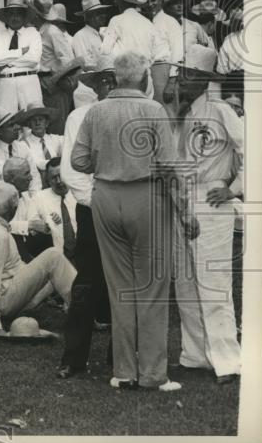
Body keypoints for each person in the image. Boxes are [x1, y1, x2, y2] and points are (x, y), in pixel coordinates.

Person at [71, 50, 197, 391]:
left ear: (115, 78)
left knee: (120, 289)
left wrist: (107, 156)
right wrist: (186, 213)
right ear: (143, 79)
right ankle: (154, 374)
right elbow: (169, 168)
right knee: (153, 288)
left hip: (106, 198)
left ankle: (124, 372)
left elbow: (79, 161)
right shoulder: (152, 109)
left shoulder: (95, 111)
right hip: (146, 196)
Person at [171, 45, 243, 384]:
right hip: (184, 198)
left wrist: (235, 187)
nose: (178, 79)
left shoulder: (219, 109)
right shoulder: (183, 112)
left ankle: (228, 360)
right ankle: (196, 354)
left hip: (213, 197)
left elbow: (250, 148)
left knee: (214, 282)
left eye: (184, 74)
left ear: (200, 79)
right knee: (185, 282)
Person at [56, 54, 116, 379]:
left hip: (122, 209)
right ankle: (73, 357)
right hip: (92, 209)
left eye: (114, 80)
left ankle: (119, 357)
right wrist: (96, 199)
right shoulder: (78, 117)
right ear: (95, 86)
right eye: (103, 80)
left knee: (121, 282)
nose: (109, 86)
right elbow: (70, 170)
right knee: (86, 283)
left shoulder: (132, 115)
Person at [0, 183, 76, 336]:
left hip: (10, 289)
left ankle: (78, 306)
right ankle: (83, 311)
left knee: (56, 266)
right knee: (54, 256)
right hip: (4, 301)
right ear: (13, 208)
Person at [99, 0, 170, 98]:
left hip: (126, 78)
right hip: (146, 77)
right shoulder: (148, 24)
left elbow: (105, 51)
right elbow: (159, 53)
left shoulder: (116, 20)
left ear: (121, 2)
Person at [0, 157, 50, 260]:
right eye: (26, 173)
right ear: (12, 178)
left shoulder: (24, 195)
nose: (31, 178)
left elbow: (33, 220)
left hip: (19, 249)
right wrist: (29, 225)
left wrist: (42, 224)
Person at [33, 0, 80, 132]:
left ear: (36, 15)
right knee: (47, 125)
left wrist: (56, 80)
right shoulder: (39, 32)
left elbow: (69, 60)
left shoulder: (52, 32)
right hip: (43, 83)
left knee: (57, 125)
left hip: (54, 84)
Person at [0, 0, 44, 113]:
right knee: (7, 122)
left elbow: (33, 59)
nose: (15, 17)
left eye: (18, 13)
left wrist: (8, 63)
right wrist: (20, 52)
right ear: (6, 16)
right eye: (11, 14)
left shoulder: (33, 33)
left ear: (24, 16)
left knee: (31, 122)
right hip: (5, 85)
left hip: (29, 83)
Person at [0, 106, 42, 192]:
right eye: (11, 125)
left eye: (16, 123)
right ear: (0, 131)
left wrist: (34, 199)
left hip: (17, 196)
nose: (17, 127)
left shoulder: (21, 146)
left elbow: (34, 176)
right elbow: (12, 179)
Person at [140, 0, 181, 107]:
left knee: (168, 112)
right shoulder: (145, 23)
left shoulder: (169, 21)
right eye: (147, 2)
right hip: (149, 71)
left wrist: (171, 82)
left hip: (164, 71)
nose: (150, 4)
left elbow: (178, 52)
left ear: (161, 0)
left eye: (153, 0)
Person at [29, 158, 77, 257]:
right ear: (48, 180)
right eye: (54, 178)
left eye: (61, 176)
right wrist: (44, 226)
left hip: (85, 253)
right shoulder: (39, 198)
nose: (58, 181)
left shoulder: (79, 194)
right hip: (57, 257)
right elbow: (32, 224)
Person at [71, 0, 112, 108]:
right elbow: (84, 64)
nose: (102, 16)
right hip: (89, 86)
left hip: (105, 83)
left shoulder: (103, 34)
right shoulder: (80, 36)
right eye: (97, 14)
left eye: (102, 12)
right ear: (87, 17)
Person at [20, 107, 63, 173]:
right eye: (34, 120)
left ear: (47, 123)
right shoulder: (24, 144)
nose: (37, 123)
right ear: (29, 124)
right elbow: (32, 165)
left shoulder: (55, 139)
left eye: (40, 119)